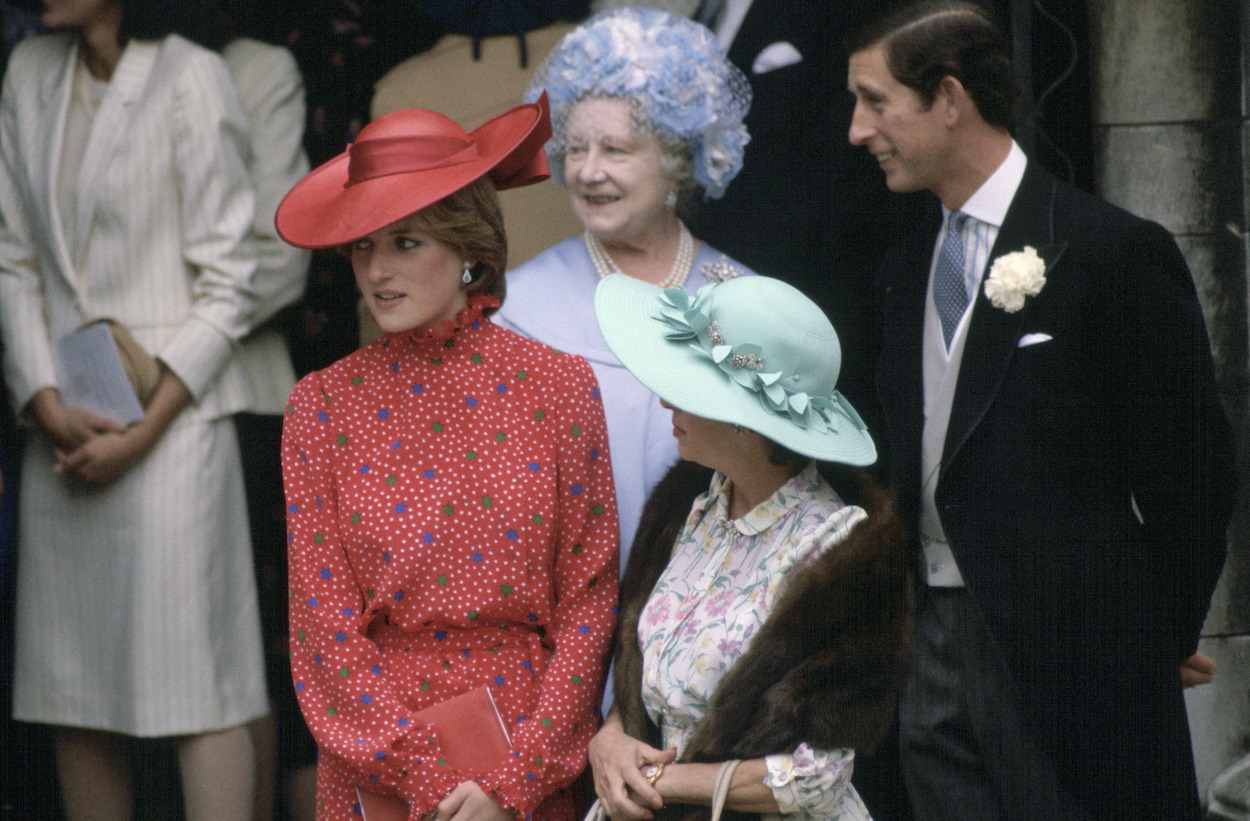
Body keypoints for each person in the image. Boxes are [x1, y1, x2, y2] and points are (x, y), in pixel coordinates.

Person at [846, 3, 1236, 819]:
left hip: (1074, 654)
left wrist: (1151, 635)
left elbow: (1190, 469)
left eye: (876, 101)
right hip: (927, 643)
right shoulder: (900, 265)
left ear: (949, 98)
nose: (857, 129)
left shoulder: (1108, 250)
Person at [274, 96, 620, 821]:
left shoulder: (559, 385)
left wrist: (514, 779)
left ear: (470, 248)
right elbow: (321, 627)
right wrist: (423, 775)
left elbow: (588, 599)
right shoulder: (321, 405)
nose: (376, 270)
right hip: (377, 758)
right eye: (363, 245)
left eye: (405, 242)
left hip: (530, 749)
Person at [0, 1, 269, 819]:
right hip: (66, 426)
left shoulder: (192, 73)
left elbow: (233, 279)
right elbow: (10, 256)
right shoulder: (28, 70)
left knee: (200, 686)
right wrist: (42, 397)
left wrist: (144, 430)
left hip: (175, 431)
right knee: (71, 693)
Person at [587, 274, 911, 821]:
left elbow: (817, 778)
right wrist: (612, 738)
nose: (665, 399)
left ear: (747, 422)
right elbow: (654, 682)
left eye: (688, 389)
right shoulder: (688, 507)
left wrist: (659, 778)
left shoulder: (841, 551)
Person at [494, 6, 757, 563]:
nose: (586, 172)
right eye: (576, 148)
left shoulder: (744, 298)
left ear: (676, 161)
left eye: (614, 149)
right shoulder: (518, 308)